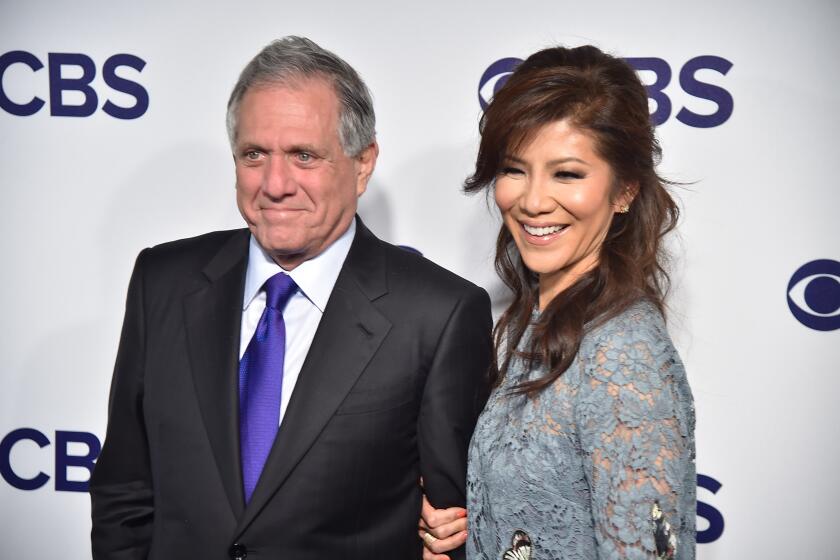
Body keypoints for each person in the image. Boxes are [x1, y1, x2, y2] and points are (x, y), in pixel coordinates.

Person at [90, 36, 492, 560]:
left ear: (363, 163)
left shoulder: (438, 314)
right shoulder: (161, 280)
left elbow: (451, 523)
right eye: (255, 154)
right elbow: (125, 487)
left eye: (304, 156)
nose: (275, 184)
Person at [420, 45, 696, 559]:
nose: (533, 200)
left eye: (567, 174)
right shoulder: (539, 321)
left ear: (624, 191)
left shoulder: (623, 355)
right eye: (515, 169)